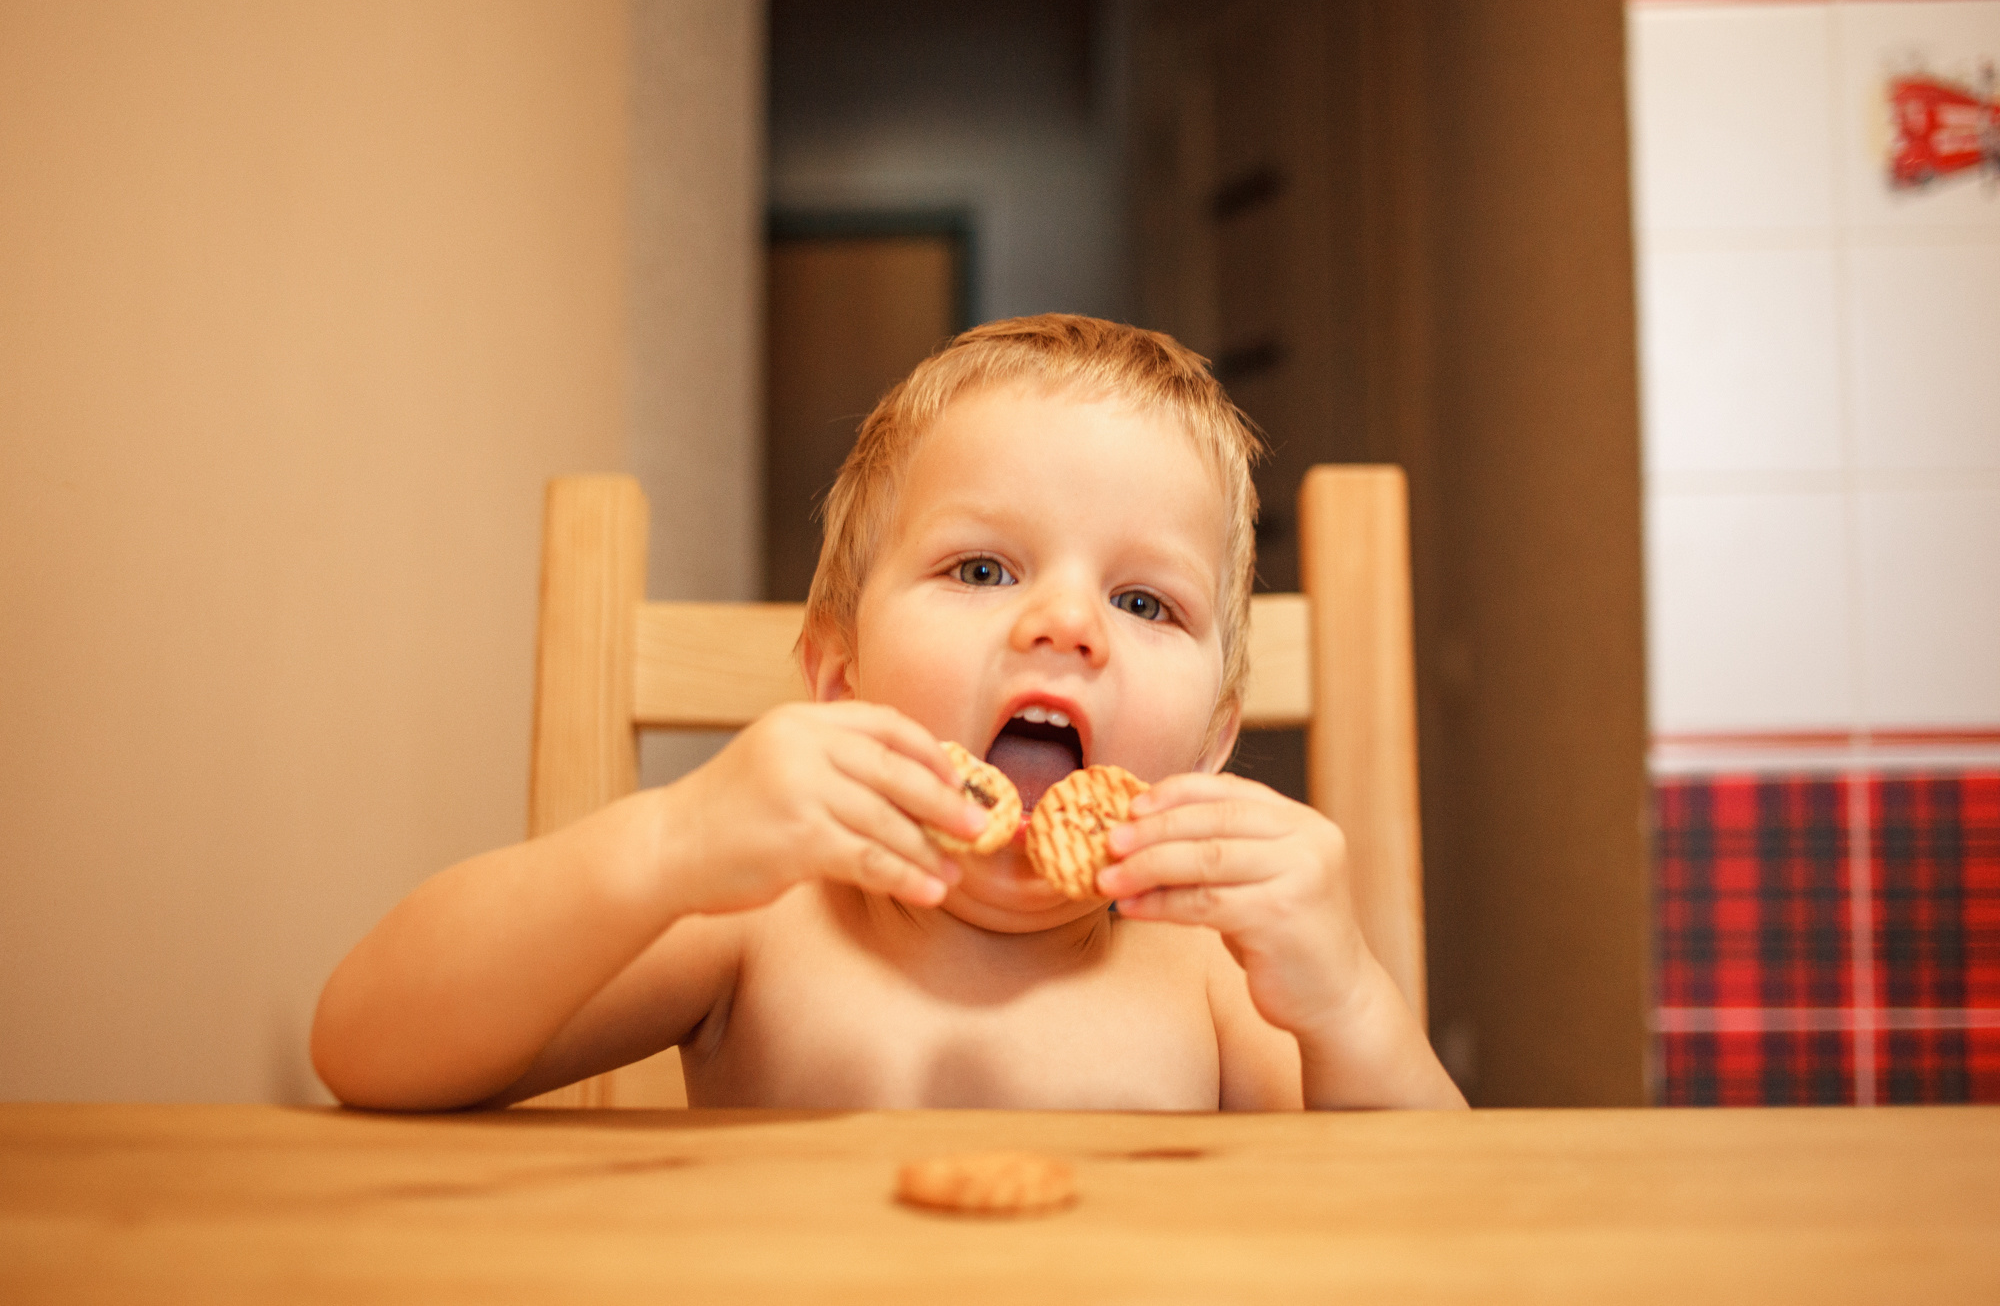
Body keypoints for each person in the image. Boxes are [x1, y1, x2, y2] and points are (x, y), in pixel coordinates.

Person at [311, 314, 1465, 1112]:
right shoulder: (757, 922)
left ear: (1211, 743)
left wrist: (1347, 998)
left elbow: (1435, 1225)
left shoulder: (1214, 970)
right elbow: (365, 1048)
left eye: (1141, 598)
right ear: (837, 680)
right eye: (979, 570)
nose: (1066, 624)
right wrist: (667, 842)